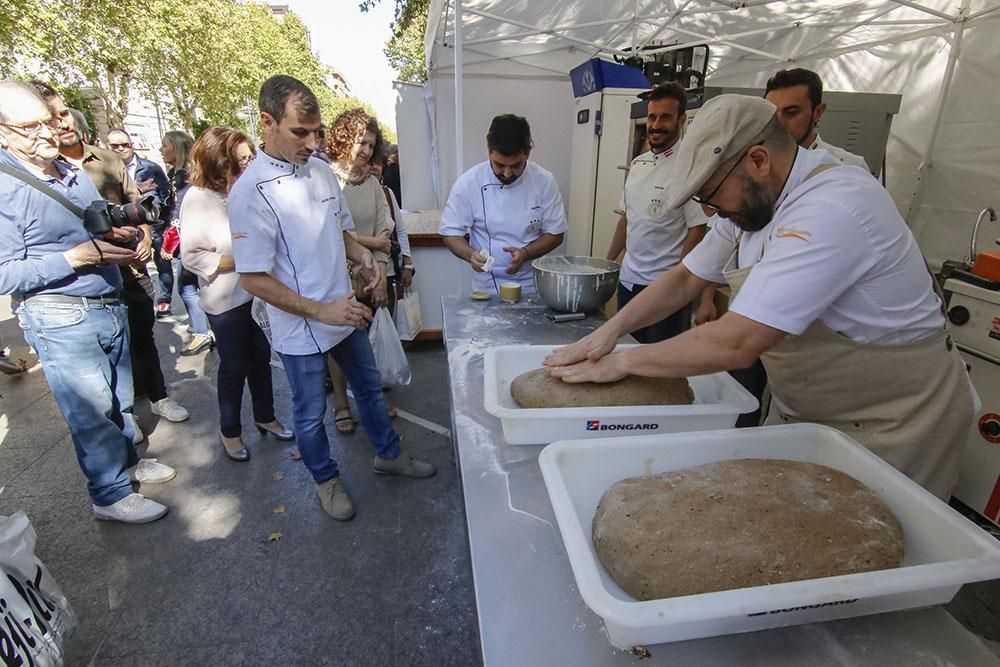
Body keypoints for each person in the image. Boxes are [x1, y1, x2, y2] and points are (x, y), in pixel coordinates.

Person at [545, 94, 974, 501]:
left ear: (758, 160)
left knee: (876, 552)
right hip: (806, 411)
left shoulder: (833, 206)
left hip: (895, 420)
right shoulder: (753, 203)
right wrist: (612, 331)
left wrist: (620, 362)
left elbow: (737, 341)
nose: (709, 211)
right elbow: (684, 278)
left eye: (710, 195)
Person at [228, 75, 435, 522]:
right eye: (299, 132)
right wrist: (321, 309)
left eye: (316, 131)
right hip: (300, 326)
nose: (311, 142)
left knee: (371, 392)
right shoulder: (250, 192)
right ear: (267, 123)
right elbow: (254, 281)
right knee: (308, 415)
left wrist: (365, 258)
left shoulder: (321, 171)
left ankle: (389, 454)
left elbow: (340, 234)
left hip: (345, 311)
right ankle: (326, 479)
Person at [0, 80, 175, 523]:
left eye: (48, 120)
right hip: (60, 313)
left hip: (108, 298)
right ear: (3, 132)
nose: (46, 132)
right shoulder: (5, 185)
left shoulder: (68, 170)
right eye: (29, 126)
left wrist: (123, 233)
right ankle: (110, 494)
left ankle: (128, 469)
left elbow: (95, 223)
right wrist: (73, 257)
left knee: (117, 400)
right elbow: (5, 272)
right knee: (91, 409)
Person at [33, 82, 190, 432]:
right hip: (84, 283)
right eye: (54, 118)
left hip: (131, 269)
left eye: (65, 116)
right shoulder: (42, 171)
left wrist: (146, 236)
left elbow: (139, 207)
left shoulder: (106, 160)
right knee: (106, 358)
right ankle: (126, 420)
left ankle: (159, 396)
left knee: (142, 336)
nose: (62, 124)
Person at [180, 126, 293, 462]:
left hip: (256, 296)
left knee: (260, 359)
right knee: (233, 366)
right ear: (219, 161)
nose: (248, 163)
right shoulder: (198, 199)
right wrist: (241, 261)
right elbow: (192, 255)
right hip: (225, 301)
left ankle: (265, 416)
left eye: (250, 157)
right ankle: (229, 431)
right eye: (240, 159)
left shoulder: (246, 190)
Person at [605, 82, 711, 343]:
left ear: (682, 120)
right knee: (626, 355)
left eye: (665, 117)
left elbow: (697, 229)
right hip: (629, 283)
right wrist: (606, 266)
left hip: (664, 289)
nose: (656, 124)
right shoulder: (638, 164)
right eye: (652, 117)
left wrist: (678, 283)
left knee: (658, 370)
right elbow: (627, 218)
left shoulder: (690, 168)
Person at [439, 114, 567, 295]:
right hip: (486, 284)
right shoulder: (469, 183)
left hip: (530, 283)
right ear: (488, 151)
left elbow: (555, 233)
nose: (507, 173)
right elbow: (451, 233)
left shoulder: (544, 181)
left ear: (527, 153)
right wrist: (470, 255)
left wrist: (525, 253)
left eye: (515, 166)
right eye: (499, 165)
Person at [326, 110, 395, 431]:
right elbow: (331, 235)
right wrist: (368, 244)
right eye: (360, 142)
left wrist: (379, 274)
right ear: (342, 140)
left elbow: (386, 234)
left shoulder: (375, 185)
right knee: (339, 344)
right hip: (337, 278)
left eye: (370, 144)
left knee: (365, 343)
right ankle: (341, 404)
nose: (366, 150)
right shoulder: (327, 181)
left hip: (371, 277)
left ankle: (371, 402)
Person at [160, 130, 214, 355]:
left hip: (189, 241)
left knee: (188, 288)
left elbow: (181, 214)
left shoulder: (185, 177)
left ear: (177, 147)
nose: (161, 151)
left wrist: (170, 242)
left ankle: (202, 332)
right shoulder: (176, 173)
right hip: (187, 239)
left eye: (165, 146)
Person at [764, 68, 869, 170]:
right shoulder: (756, 164)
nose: (779, 123)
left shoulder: (848, 166)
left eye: (791, 113)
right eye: (771, 114)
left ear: (818, 112)